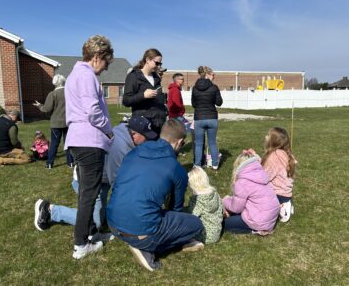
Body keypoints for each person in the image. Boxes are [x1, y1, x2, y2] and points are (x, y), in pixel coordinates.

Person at [107, 119, 203, 272]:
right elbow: (176, 208)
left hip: (112, 222)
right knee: (196, 224)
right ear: (179, 142)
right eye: (183, 145)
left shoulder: (134, 152)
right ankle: (145, 248)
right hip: (141, 229)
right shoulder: (176, 168)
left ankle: (139, 238)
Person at [34, 116, 156, 234]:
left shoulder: (125, 133)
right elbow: (118, 185)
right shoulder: (119, 148)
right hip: (88, 180)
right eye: (146, 136)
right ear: (134, 133)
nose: (148, 140)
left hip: (101, 180)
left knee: (102, 217)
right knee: (94, 222)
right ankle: (49, 210)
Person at [64, 35, 114, 259]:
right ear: (96, 57)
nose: (106, 68)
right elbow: (93, 112)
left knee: (87, 193)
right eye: (106, 62)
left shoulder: (77, 74)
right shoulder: (86, 76)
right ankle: (81, 244)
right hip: (89, 141)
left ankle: (91, 233)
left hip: (79, 140)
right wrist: (108, 131)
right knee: (89, 195)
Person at [223, 150, 280, 235]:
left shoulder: (242, 182)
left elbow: (236, 208)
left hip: (260, 220)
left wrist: (224, 200)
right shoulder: (261, 173)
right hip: (271, 216)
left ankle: (255, 230)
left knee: (224, 224)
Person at [122, 48, 167, 135]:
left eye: (160, 64)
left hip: (158, 125)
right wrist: (143, 95)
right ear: (147, 60)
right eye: (156, 63)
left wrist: (164, 110)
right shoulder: (134, 76)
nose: (158, 66)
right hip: (143, 126)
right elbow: (126, 101)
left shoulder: (156, 78)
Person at [33, 74, 74, 169]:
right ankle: (70, 162)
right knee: (68, 143)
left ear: (55, 83)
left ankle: (50, 163)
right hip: (69, 122)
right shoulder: (70, 92)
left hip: (56, 124)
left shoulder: (53, 94)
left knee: (54, 143)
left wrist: (39, 106)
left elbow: (46, 109)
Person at [261, 127, 297, 222]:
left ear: (274, 141)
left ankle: (281, 207)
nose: (265, 137)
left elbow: (264, 178)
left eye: (268, 135)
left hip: (276, 194)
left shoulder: (274, 156)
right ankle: (285, 203)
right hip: (286, 194)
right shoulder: (286, 154)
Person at [191, 66, 223, 170]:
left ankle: (197, 165)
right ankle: (214, 164)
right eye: (213, 74)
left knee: (198, 143)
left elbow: (193, 104)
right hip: (212, 117)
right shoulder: (214, 87)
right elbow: (219, 103)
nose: (214, 76)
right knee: (212, 142)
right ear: (207, 74)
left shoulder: (194, 88)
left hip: (199, 118)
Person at [187, 166, 223, 244]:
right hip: (216, 233)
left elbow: (191, 218)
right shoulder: (215, 193)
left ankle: (194, 243)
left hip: (204, 236)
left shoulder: (197, 200)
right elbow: (221, 209)